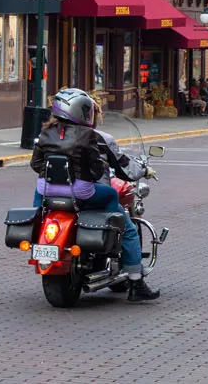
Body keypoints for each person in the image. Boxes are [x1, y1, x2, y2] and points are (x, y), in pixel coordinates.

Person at [30, 88, 158, 303]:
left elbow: (36, 164)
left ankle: (37, 217)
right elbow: (114, 168)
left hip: (48, 192)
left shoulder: (45, 133)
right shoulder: (95, 137)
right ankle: (136, 282)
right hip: (82, 194)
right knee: (124, 223)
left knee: (39, 197)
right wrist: (143, 170)